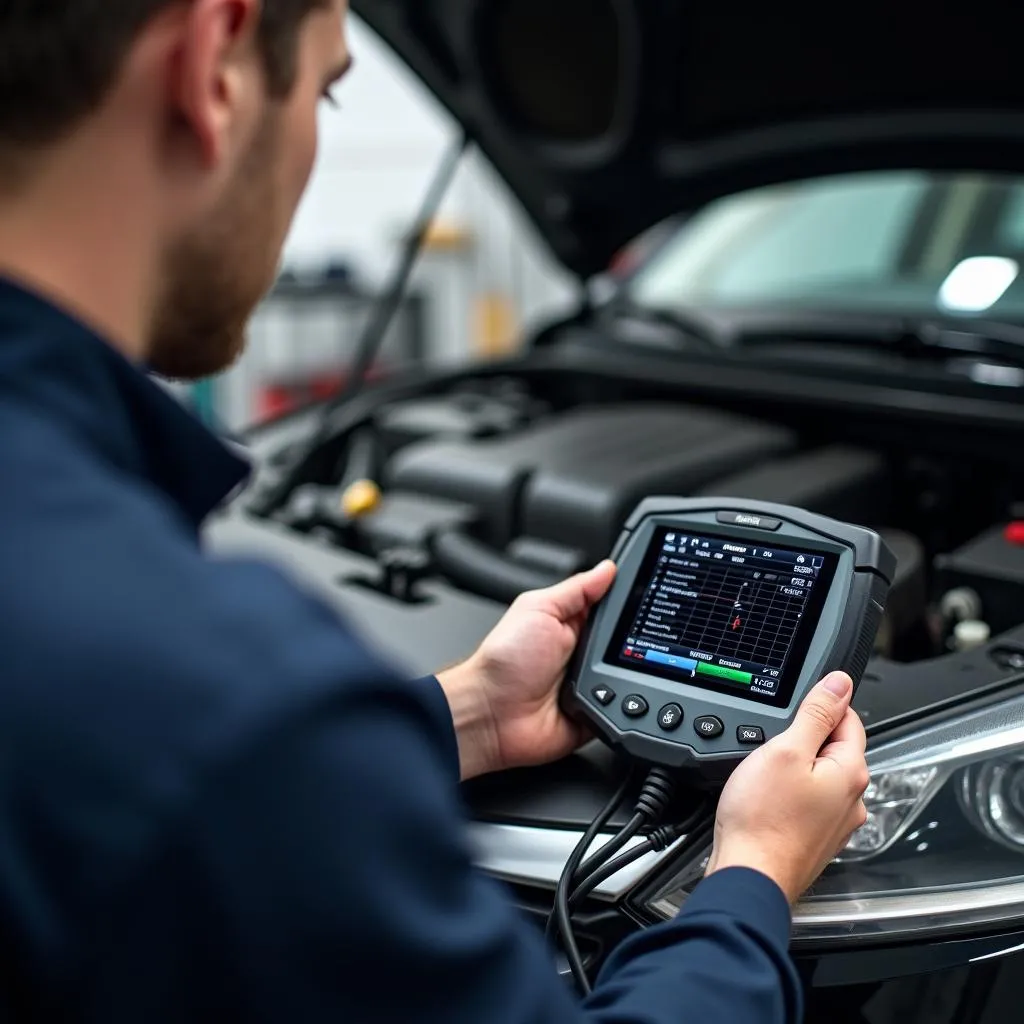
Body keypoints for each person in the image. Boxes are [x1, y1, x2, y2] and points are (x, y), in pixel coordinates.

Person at [0, 1, 870, 1021]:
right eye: (325, 89)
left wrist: (466, 716)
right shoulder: (223, 699)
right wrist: (753, 880)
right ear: (215, 63)